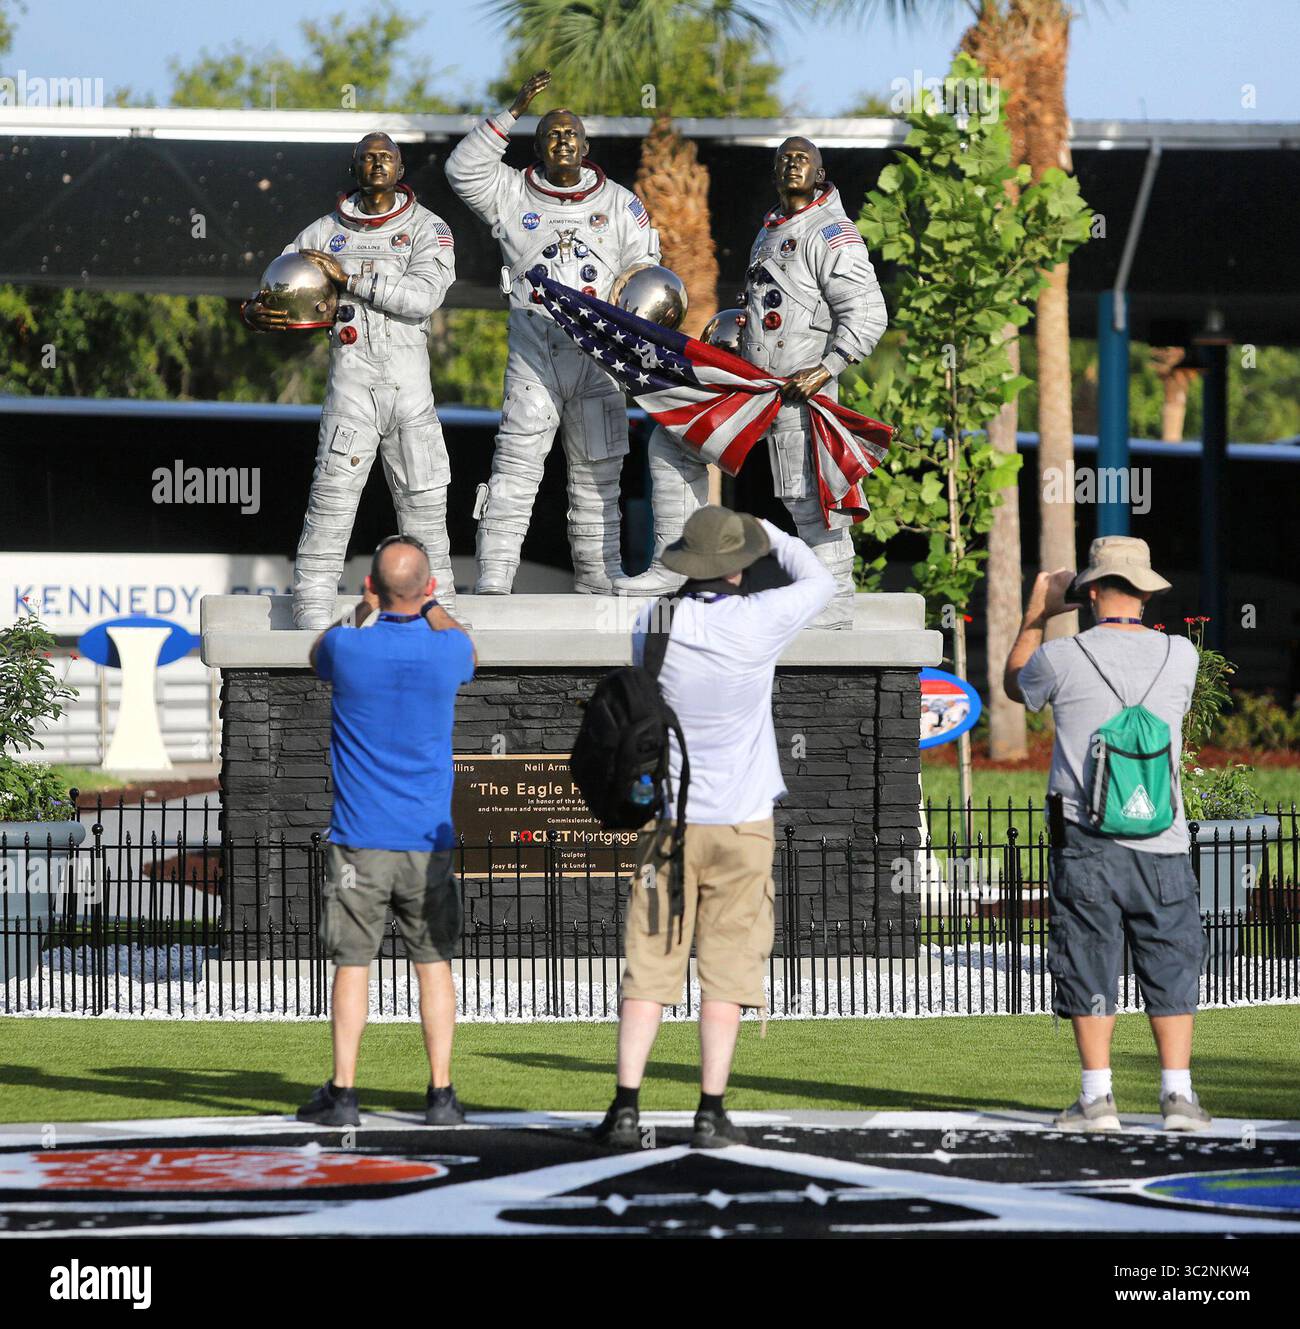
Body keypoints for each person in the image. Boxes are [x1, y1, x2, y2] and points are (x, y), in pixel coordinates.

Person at [593, 506, 834, 1150]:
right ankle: (709, 1110)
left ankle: (624, 1107)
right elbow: (820, 579)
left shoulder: (655, 621)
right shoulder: (763, 618)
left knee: (649, 967)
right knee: (727, 971)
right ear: (738, 563)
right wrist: (769, 531)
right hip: (743, 820)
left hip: (672, 819)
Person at [614, 137, 887, 630]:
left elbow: (867, 312)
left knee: (811, 496)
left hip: (801, 391)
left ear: (821, 174)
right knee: (675, 440)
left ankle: (835, 597)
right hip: (755, 385)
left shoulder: (831, 233)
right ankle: (672, 566)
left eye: (803, 159)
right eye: (784, 159)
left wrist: (826, 368)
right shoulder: (771, 229)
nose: (792, 165)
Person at [1003, 537, 1210, 1133]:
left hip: (1085, 839)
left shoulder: (1061, 657)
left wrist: (1038, 613)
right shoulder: (1181, 656)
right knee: (1171, 957)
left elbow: (1016, 685)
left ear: (1090, 592)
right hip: (1164, 839)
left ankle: (1097, 1100)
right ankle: (1179, 1097)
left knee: (1088, 956)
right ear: (1147, 592)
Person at [444, 69, 662, 595]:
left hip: (597, 357)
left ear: (586, 146)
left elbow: (647, 268)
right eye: (550, 134)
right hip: (534, 353)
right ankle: (494, 582)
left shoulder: (619, 203)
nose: (562, 140)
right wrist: (512, 110)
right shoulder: (510, 193)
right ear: (536, 147)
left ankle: (600, 583)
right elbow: (461, 169)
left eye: (571, 134)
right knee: (515, 470)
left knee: (597, 477)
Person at [296, 535, 476, 1128]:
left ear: (370, 586)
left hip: (361, 836)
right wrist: (429, 605)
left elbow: (317, 649)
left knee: (353, 962)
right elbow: (467, 644)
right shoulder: (447, 651)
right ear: (428, 588)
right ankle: (441, 1096)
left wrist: (364, 606)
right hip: (428, 839)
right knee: (434, 963)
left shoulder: (348, 647)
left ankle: (344, 1094)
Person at [245, 132, 459, 627]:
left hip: (409, 394)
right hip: (352, 391)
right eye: (367, 157)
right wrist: (261, 311)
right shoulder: (322, 233)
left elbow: (422, 298)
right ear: (355, 167)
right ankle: (311, 626)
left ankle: (442, 625)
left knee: (425, 515)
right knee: (329, 509)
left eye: (386, 156)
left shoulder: (429, 228)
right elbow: (281, 287)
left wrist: (349, 279)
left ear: (401, 167)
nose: (377, 164)